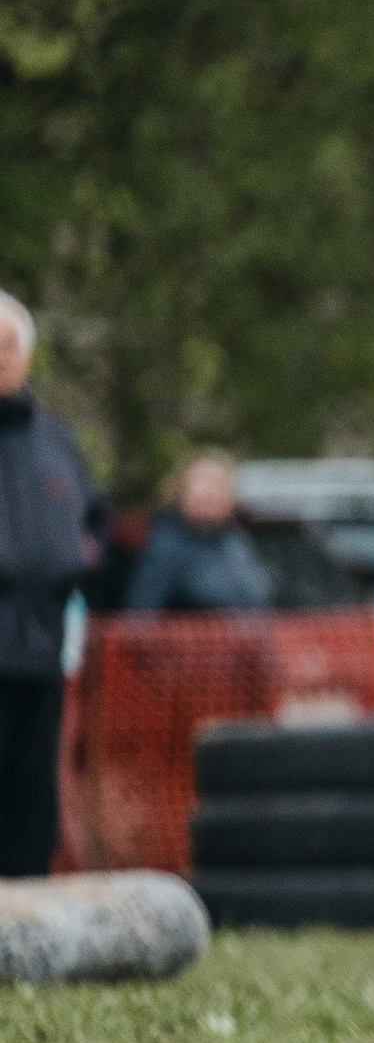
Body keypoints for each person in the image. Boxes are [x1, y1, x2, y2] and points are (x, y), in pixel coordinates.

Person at [0, 289, 103, 877]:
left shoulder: (54, 442)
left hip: (41, 649)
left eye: (8, 345)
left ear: (27, 356)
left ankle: (23, 915)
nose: (0, 357)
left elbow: (92, 522)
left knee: (32, 799)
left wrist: (81, 565)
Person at [124, 456, 273, 612]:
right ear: (181, 493)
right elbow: (141, 615)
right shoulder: (166, 547)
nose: (209, 492)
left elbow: (259, 599)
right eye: (200, 483)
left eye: (217, 484)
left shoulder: (236, 542)